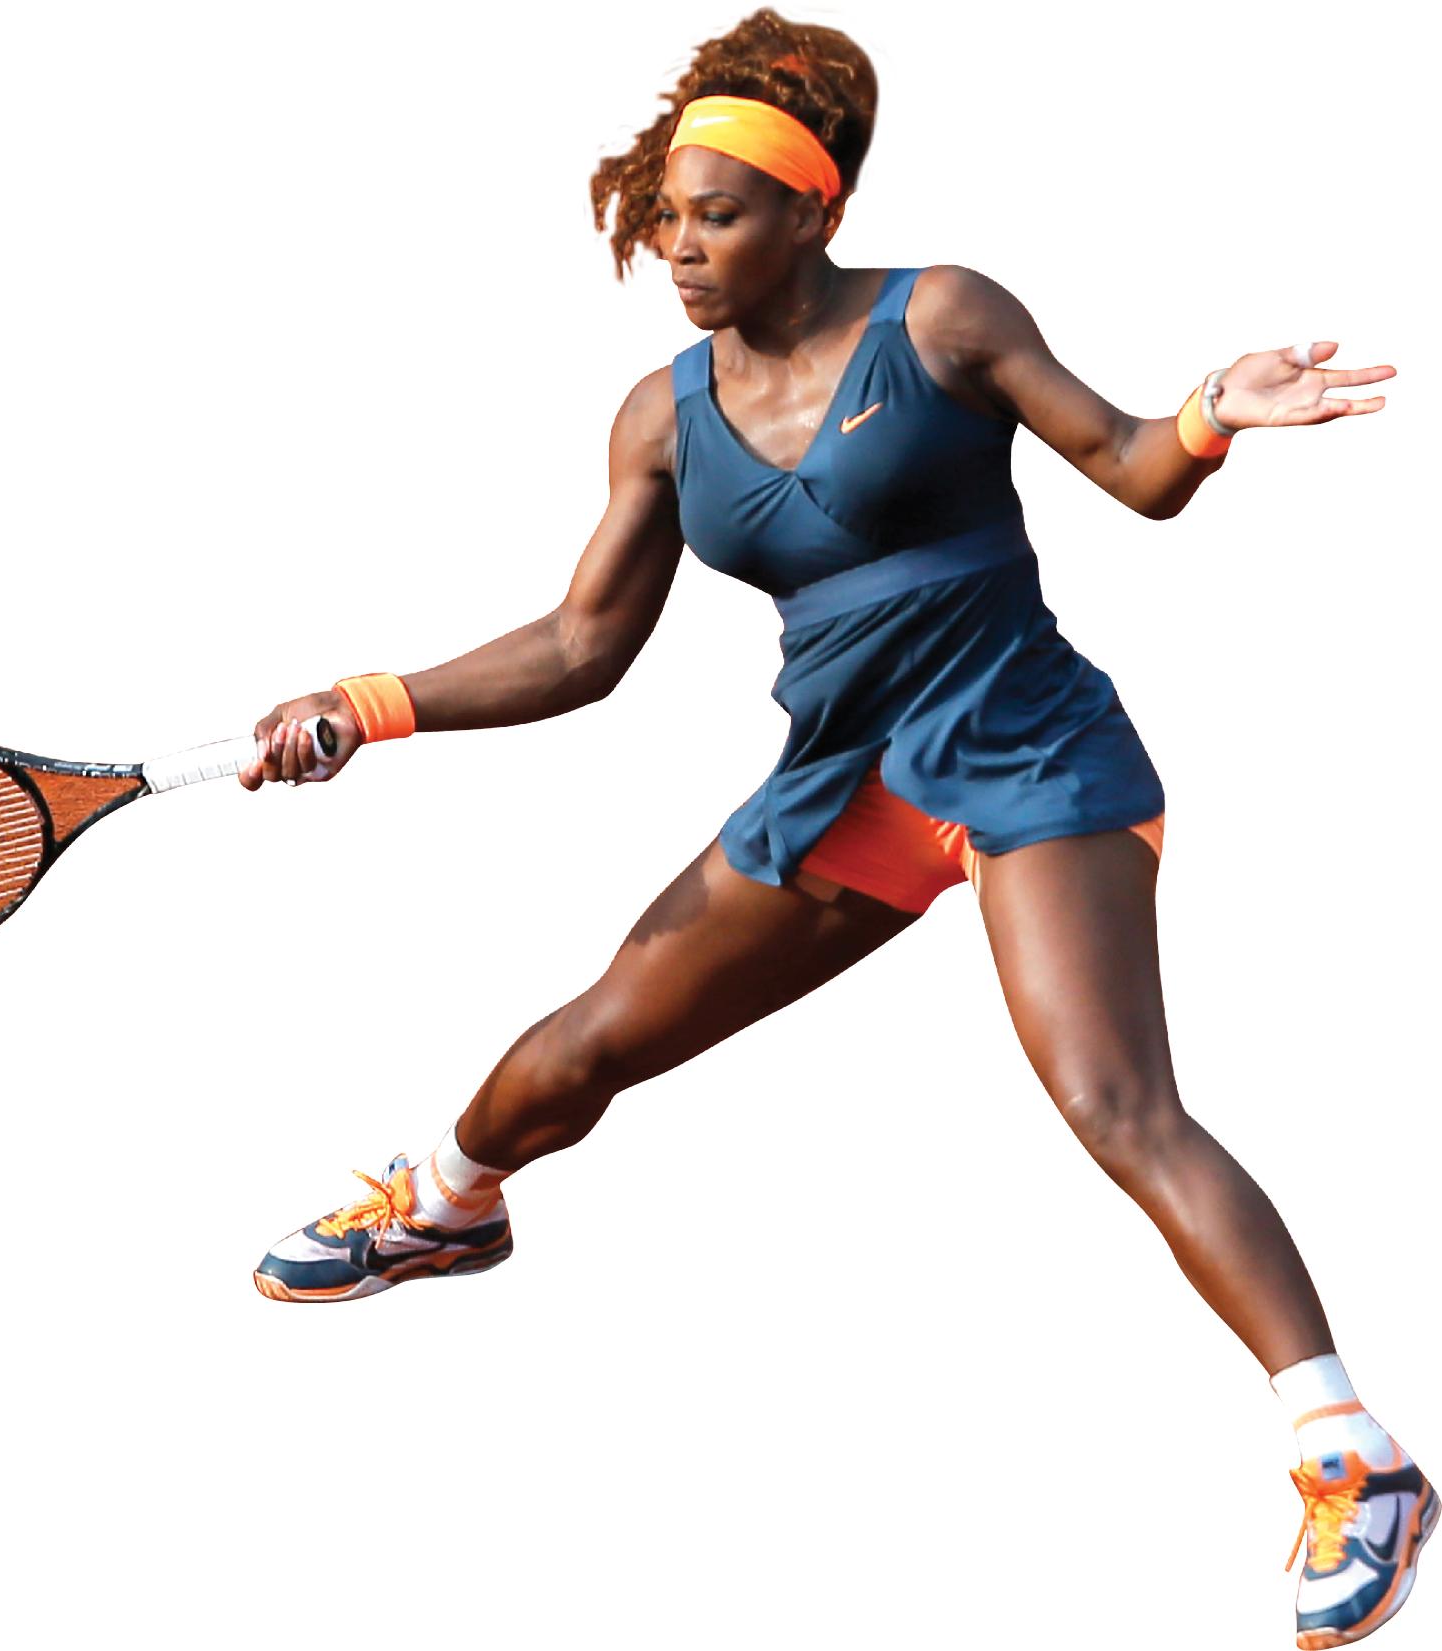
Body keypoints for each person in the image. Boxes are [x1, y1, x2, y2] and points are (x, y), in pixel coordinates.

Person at [237, 10, 1431, 1644]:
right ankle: (447, 1207)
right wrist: (368, 705)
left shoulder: (941, 318)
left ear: (815, 211)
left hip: (1028, 763)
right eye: (667, 216)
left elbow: (1133, 469)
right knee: (588, 1043)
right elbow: (580, 648)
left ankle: (1352, 1455)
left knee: (1114, 1103)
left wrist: (1213, 411)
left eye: (717, 216)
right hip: (842, 785)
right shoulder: (659, 417)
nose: (679, 247)